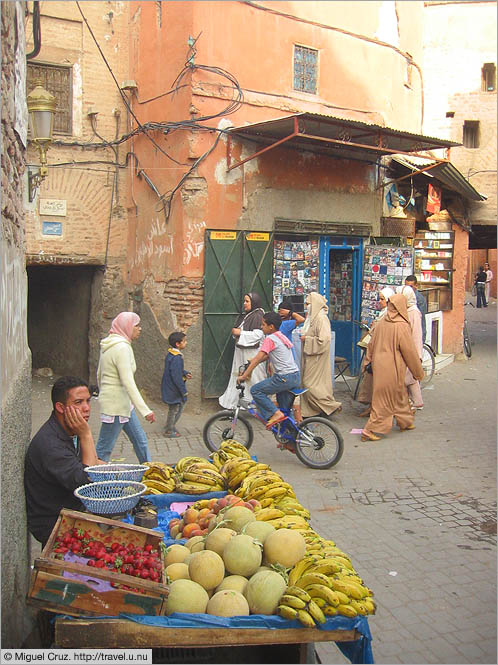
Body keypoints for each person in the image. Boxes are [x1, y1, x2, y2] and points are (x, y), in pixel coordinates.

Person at [24, 376, 101, 548]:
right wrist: (86, 435)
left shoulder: (68, 430)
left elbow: (92, 463)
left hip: (71, 508)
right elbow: (87, 482)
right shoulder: (50, 445)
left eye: (88, 401)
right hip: (53, 522)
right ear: (60, 407)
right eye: (78, 403)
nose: (87, 408)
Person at [361, 294, 424, 442]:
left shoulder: (382, 322)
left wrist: (367, 362)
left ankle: (405, 421)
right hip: (392, 368)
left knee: (400, 395)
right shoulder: (401, 325)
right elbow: (409, 352)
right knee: (385, 401)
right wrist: (418, 372)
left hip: (379, 366)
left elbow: (371, 344)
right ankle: (370, 430)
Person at [96, 312, 155, 463]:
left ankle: (150, 471)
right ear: (127, 327)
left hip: (123, 404)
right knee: (104, 448)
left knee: (140, 440)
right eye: (136, 326)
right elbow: (128, 381)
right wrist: (145, 410)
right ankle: (93, 478)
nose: (139, 329)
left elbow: (99, 374)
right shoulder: (122, 348)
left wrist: (103, 394)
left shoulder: (109, 344)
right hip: (116, 406)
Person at [236, 311, 300, 428]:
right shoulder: (281, 336)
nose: (261, 327)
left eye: (263, 325)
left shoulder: (270, 339)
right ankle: (291, 440)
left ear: (271, 327)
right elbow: (265, 356)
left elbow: (258, 358)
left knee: (256, 390)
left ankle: (274, 414)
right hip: (294, 376)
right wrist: (252, 361)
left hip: (283, 378)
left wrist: (244, 376)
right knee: (285, 411)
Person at [219, 292, 266, 409]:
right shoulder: (248, 315)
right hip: (241, 352)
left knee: (254, 377)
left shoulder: (258, 315)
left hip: (252, 353)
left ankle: (257, 404)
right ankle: (236, 403)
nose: (244, 304)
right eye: (244, 301)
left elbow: (258, 335)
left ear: (254, 302)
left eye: (247, 301)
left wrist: (240, 333)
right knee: (239, 375)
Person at [300, 292, 342, 418]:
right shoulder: (312, 318)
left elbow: (324, 340)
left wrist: (306, 340)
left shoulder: (321, 318)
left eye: (308, 304)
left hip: (317, 357)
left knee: (310, 384)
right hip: (311, 356)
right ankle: (315, 410)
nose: (306, 306)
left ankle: (331, 406)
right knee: (309, 384)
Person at [357, 286, 395, 417]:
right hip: (374, 352)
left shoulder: (389, 316)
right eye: (379, 299)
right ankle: (371, 406)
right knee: (370, 381)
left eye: (382, 299)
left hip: (381, 354)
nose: (380, 302)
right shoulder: (383, 313)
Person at [397, 285, 424, 410]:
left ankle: (413, 401)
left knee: (408, 376)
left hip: (411, 349)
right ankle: (417, 401)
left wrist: (416, 354)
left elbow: (416, 335)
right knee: (410, 376)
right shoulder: (408, 310)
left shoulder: (413, 312)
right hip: (409, 348)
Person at [161, 331, 192, 438]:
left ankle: (170, 425)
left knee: (174, 408)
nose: (186, 343)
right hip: (174, 389)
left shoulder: (171, 355)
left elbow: (175, 370)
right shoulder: (177, 358)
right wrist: (184, 391)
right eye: (184, 341)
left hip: (170, 387)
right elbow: (176, 376)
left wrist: (185, 373)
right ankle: (169, 430)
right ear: (178, 344)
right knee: (175, 409)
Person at [404, 275, 427, 343]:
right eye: (406, 286)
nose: (408, 289)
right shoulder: (404, 296)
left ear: (416, 286)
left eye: (411, 286)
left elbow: (421, 320)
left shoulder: (420, 300)